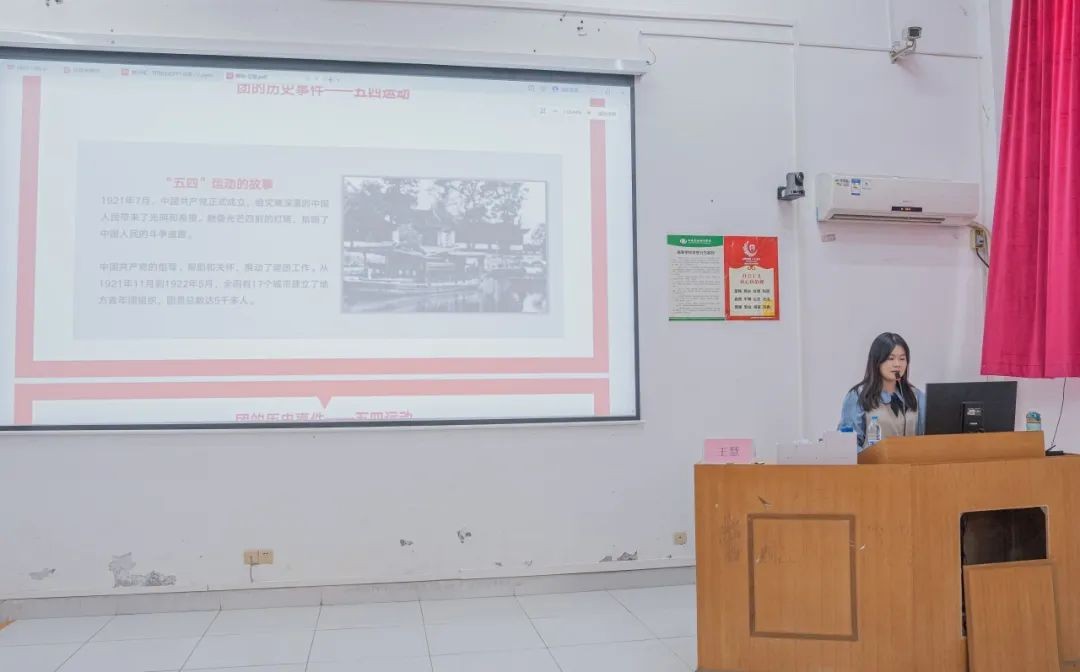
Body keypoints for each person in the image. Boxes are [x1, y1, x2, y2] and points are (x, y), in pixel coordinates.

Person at [839, 332, 926, 451]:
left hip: (911, 462)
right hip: (872, 463)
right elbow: (848, 445)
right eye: (891, 358)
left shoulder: (917, 396)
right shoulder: (858, 396)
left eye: (902, 359)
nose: (897, 364)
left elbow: (928, 437)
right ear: (877, 361)